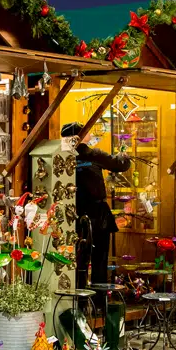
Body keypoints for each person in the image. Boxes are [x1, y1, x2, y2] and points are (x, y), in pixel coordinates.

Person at [61, 123, 130, 288]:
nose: (91, 134)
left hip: (73, 215)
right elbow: (120, 165)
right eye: (88, 132)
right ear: (81, 136)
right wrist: (124, 154)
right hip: (98, 216)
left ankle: (80, 297)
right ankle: (99, 301)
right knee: (99, 258)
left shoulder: (63, 156)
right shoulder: (93, 154)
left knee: (79, 258)